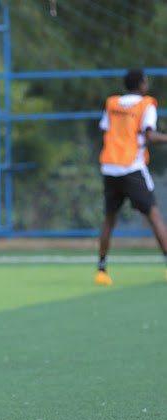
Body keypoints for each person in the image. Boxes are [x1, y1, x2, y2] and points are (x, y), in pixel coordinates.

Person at [96, 69, 167, 285]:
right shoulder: (147, 105)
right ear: (142, 84)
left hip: (109, 167)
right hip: (131, 167)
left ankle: (101, 270)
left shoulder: (112, 104)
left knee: (109, 219)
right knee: (154, 216)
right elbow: (150, 135)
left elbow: (106, 129)